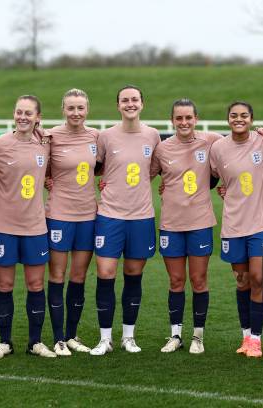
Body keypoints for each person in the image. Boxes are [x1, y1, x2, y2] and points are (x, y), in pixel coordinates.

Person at [90, 85, 160, 355]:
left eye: (134, 100)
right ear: (117, 105)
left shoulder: (153, 135)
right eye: (124, 100)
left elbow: (155, 168)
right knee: (105, 273)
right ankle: (104, 338)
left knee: (133, 274)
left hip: (141, 217)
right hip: (110, 216)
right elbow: (93, 168)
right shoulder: (105, 136)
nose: (130, 104)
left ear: (142, 104)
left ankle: (128, 336)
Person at [149, 99, 222, 354]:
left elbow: (238, 149)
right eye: (179, 118)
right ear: (172, 120)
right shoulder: (162, 148)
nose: (184, 123)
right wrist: (109, 183)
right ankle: (175, 335)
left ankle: (198, 337)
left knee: (198, 280)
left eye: (188, 118)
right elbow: (142, 174)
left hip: (200, 222)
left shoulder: (211, 140)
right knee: (176, 280)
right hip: (171, 224)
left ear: (196, 118)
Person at [0, 95, 56, 359]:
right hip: (4, 226)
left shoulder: (46, 143)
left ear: (38, 117)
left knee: (35, 284)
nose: (23, 117)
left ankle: (35, 342)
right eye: (19, 112)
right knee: (4, 285)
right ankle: (5, 342)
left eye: (29, 113)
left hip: (36, 227)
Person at [210, 101, 263, 358]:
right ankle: (246, 335)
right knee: (243, 281)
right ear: (228, 119)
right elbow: (214, 177)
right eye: (234, 115)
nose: (239, 119)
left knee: (259, 279)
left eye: (244, 115)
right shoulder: (218, 148)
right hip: (234, 224)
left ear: (252, 119)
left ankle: (257, 340)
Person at [43, 89, 98, 355]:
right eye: (71, 108)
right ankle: (58, 338)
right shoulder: (50, 136)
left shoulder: (95, 136)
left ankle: (72, 335)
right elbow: (34, 164)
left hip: (88, 216)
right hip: (58, 215)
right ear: (63, 109)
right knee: (57, 275)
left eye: (80, 108)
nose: (76, 113)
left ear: (87, 110)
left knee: (78, 277)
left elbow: (104, 167)